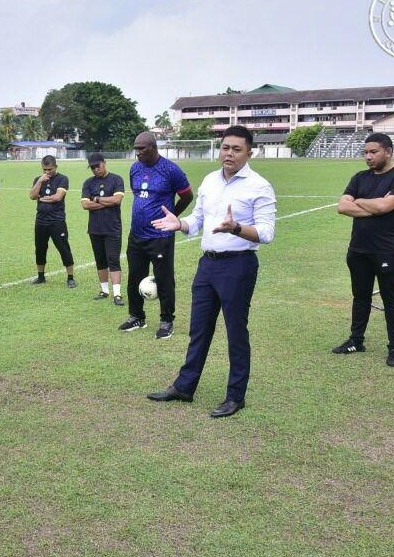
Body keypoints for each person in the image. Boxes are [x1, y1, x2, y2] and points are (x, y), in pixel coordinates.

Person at [147, 125, 276, 418]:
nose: (229, 154)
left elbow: (267, 232)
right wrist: (180, 224)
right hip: (208, 265)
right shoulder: (210, 180)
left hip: (238, 265)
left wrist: (238, 228)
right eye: (226, 148)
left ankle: (235, 396)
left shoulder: (259, 186)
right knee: (199, 329)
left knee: (235, 332)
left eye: (237, 149)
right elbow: (199, 219)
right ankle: (184, 387)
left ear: (249, 152)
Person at [334, 133, 394, 367]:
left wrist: (359, 201)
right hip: (358, 248)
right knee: (360, 297)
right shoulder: (359, 177)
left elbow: (385, 206)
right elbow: (342, 207)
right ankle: (356, 341)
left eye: (373, 152)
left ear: (388, 152)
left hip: (386, 250)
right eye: (365, 152)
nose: (368, 157)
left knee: (391, 298)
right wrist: (375, 205)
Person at [119, 131, 194, 339]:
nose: (138, 152)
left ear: (153, 147)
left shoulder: (170, 170)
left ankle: (166, 320)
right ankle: (136, 316)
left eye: (141, 148)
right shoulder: (135, 168)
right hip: (136, 235)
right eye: (136, 148)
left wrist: (173, 218)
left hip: (160, 236)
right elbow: (138, 195)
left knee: (164, 279)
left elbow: (187, 195)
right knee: (134, 276)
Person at [80, 153, 126, 306]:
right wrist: (108, 202)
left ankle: (117, 294)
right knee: (100, 260)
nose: (95, 170)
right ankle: (104, 291)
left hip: (112, 228)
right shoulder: (88, 183)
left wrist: (98, 199)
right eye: (92, 167)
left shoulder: (116, 179)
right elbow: (85, 205)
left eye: (97, 166)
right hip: (95, 229)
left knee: (113, 260)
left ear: (104, 163)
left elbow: (117, 200)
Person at [28, 155, 76, 287]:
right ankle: (41, 276)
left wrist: (43, 198)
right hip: (41, 221)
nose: (47, 172)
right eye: (44, 169)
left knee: (63, 247)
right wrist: (40, 182)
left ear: (56, 167)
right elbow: (32, 196)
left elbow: (57, 197)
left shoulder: (62, 179)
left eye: (49, 169)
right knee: (40, 248)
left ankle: (70, 277)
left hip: (57, 221)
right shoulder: (39, 179)